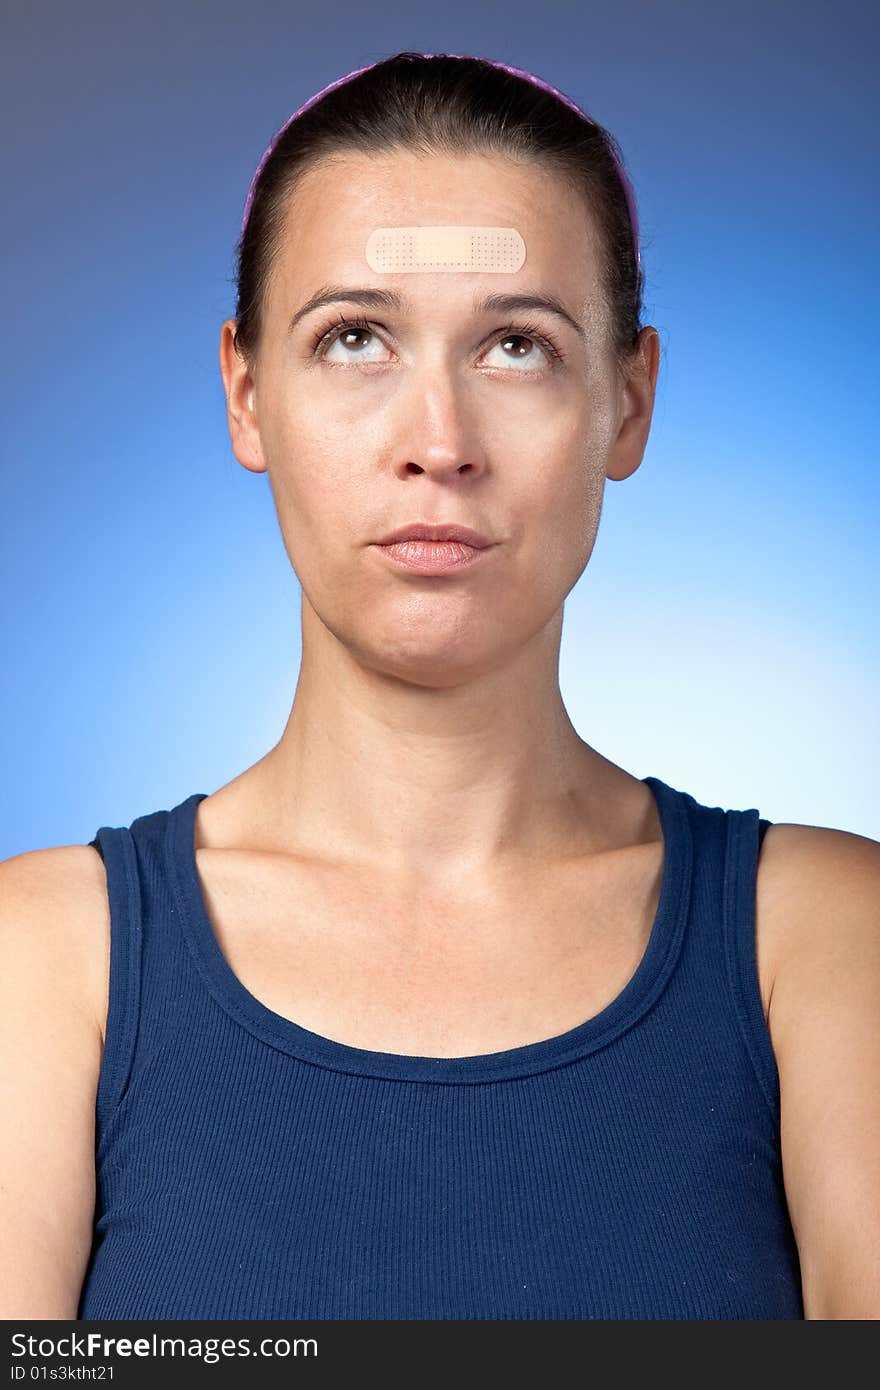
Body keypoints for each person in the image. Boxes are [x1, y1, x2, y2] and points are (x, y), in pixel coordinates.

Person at [2, 50, 878, 1323]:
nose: (440, 444)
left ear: (625, 404)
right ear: (247, 394)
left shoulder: (826, 941)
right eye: (353, 338)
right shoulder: (44, 962)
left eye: (516, 346)